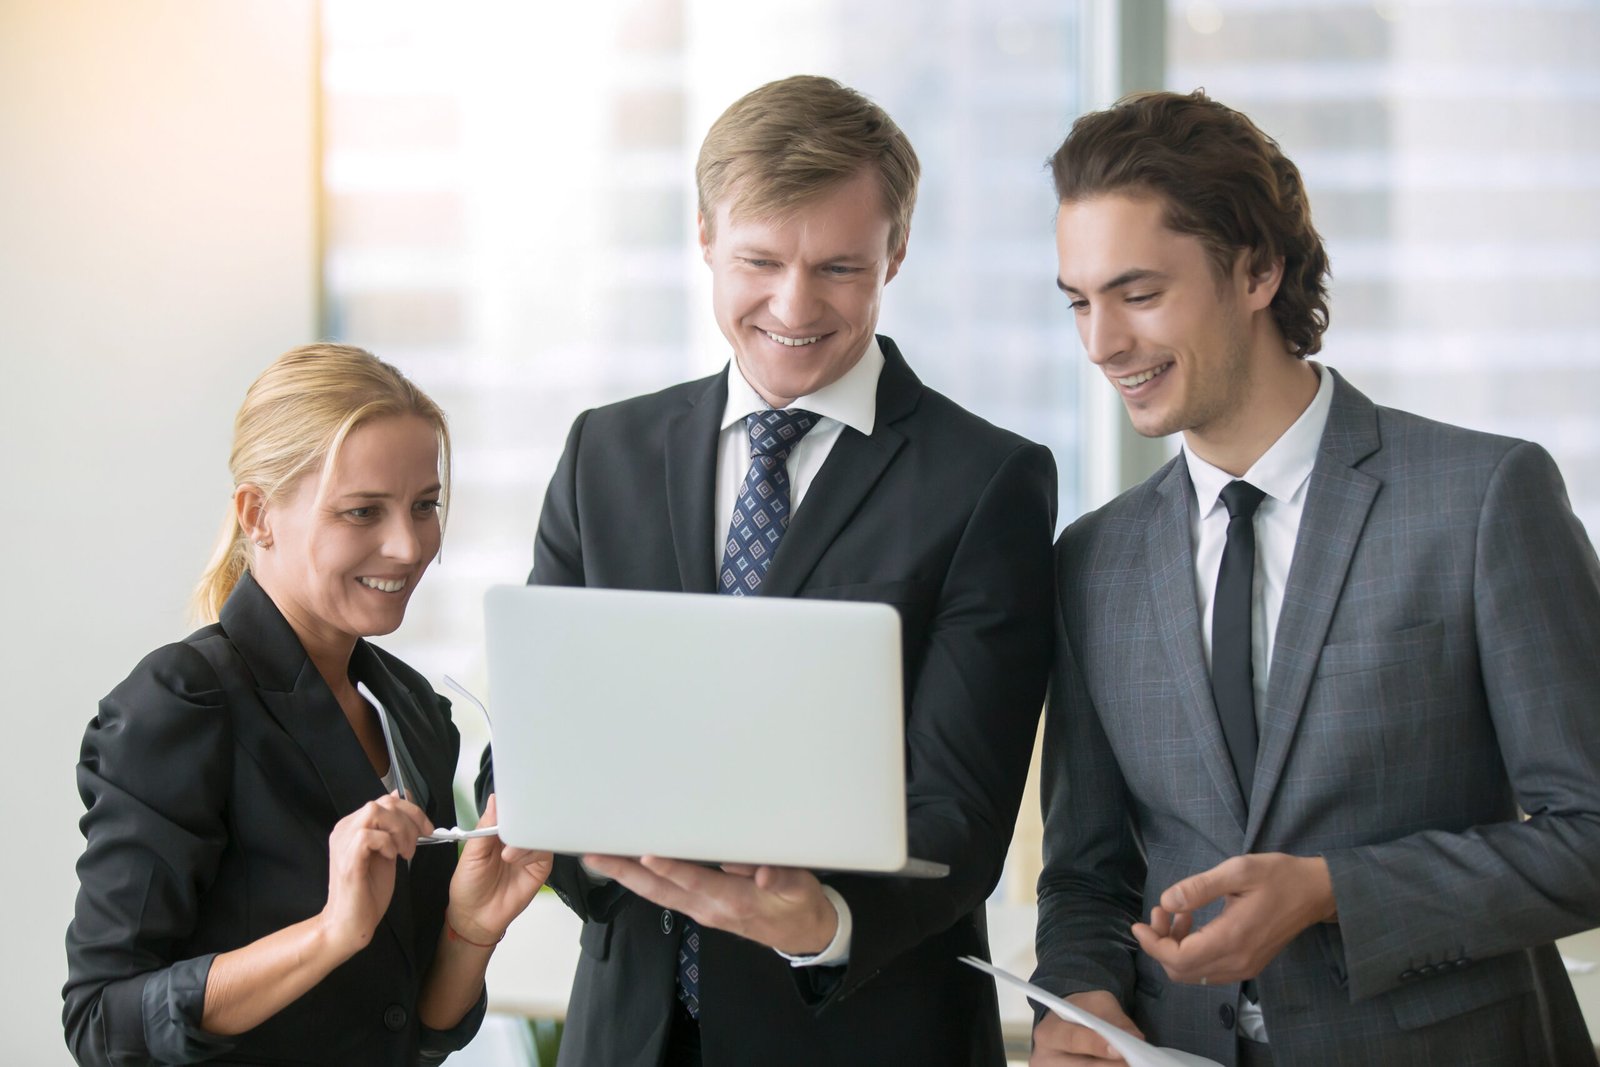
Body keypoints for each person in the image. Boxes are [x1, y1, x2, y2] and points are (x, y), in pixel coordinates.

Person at [478, 75, 1056, 1066]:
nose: (794, 306)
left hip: (865, 1033)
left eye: (838, 266)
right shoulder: (604, 453)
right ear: (703, 235)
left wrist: (819, 917)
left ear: (896, 253)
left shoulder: (985, 480)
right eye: (758, 260)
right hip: (631, 1034)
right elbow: (534, 736)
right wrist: (537, 806)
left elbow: (960, 808)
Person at [1030, 89, 1600, 1066]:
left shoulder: (1481, 497)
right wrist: (1078, 994)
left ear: (1257, 269)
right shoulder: (1092, 558)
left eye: (1138, 292)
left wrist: (1332, 887)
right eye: (1079, 301)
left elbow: (1590, 832)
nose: (1101, 342)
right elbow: (1087, 872)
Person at [64, 344, 553, 1066]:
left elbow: (412, 1028)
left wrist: (471, 927)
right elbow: (104, 1023)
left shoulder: (414, 711)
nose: (407, 544)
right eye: (362, 511)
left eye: (425, 506)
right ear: (257, 513)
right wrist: (329, 932)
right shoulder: (182, 703)